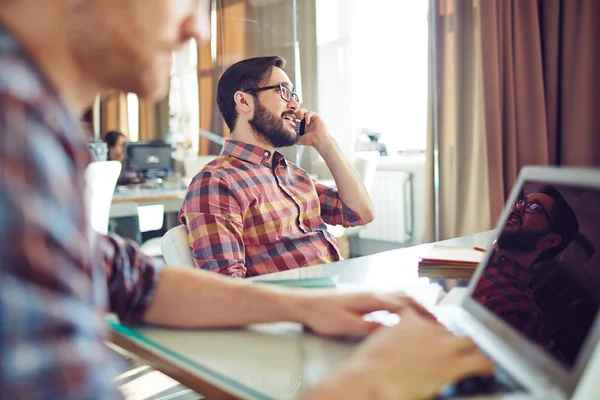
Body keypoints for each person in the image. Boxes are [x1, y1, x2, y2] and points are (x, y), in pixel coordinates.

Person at [0, 1, 491, 398]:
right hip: (282, 352)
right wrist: (373, 387)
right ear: (244, 101)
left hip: (313, 321)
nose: (198, 28)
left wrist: (310, 308)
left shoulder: (41, 127)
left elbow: (133, 278)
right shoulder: (16, 130)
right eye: (184, 1)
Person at [180, 56, 375, 278]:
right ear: (244, 102)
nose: (294, 104)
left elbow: (361, 213)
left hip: (335, 292)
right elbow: (228, 289)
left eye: (293, 94)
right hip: (296, 308)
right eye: (282, 91)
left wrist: (325, 143)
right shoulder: (216, 182)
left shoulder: (293, 174)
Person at [473, 185, 579, 341]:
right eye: (520, 202)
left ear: (550, 241)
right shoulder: (475, 258)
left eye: (534, 207)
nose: (517, 209)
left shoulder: (517, 308)